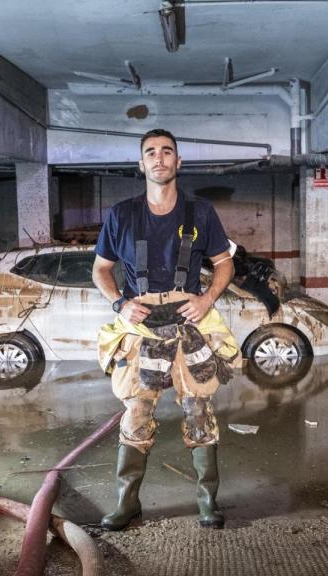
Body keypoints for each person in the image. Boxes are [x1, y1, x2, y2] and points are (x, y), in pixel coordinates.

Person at [92, 128, 239, 531]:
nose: (159, 158)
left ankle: (208, 503)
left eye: (167, 152)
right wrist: (121, 303)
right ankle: (127, 504)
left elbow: (224, 262)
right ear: (141, 164)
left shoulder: (201, 212)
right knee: (136, 412)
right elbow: (100, 269)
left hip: (188, 324)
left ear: (178, 161)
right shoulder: (122, 214)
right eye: (151, 152)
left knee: (198, 410)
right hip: (142, 328)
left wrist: (206, 299)